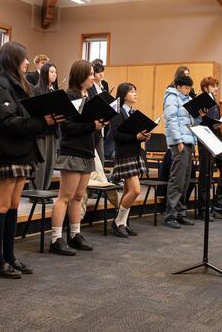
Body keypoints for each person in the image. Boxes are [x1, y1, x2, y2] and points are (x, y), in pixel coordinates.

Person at [0, 41, 60, 278]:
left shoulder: (17, 86)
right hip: (6, 153)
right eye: (24, 58)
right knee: (2, 206)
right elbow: (8, 123)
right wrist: (41, 122)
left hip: (20, 151)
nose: (28, 62)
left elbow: (22, 117)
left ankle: (10, 256)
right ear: (12, 61)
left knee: (14, 206)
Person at [50, 60, 105, 255]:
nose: (93, 77)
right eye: (90, 73)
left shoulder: (89, 96)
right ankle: (56, 238)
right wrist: (92, 126)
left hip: (87, 151)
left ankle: (74, 234)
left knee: (78, 197)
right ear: (80, 75)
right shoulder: (68, 96)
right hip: (72, 150)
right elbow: (66, 127)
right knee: (65, 197)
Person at [108, 83, 149, 238]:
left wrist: (143, 136)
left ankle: (124, 223)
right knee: (135, 190)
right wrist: (135, 137)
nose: (135, 94)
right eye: (132, 91)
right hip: (124, 154)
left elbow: (135, 134)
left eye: (135, 91)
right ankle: (118, 221)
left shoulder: (133, 112)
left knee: (127, 190)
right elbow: (117, 136)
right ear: (123, 94)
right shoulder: (117, 112)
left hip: (135, 152)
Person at [163, 74, 203, 229]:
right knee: (177, 180)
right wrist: (178, 141)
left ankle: (181, 213)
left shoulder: (188, 99)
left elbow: (192, 121)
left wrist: (200, 116)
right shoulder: (172, 97)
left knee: (185, 180)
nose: (188, 90)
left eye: (190, 88)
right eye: (186, 88)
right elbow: (171, 120)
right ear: (178, 86)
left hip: (189, 141)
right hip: (179, 143)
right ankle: (170, 215)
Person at [200, 77, 222, 220]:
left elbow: (216, 127)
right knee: (206, 176)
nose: (216, 88)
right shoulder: (201, 101)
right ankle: (203, 209)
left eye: (216, 86)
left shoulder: (215, 103)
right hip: (205, 141)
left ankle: (219, 207)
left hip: (216, 140)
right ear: (205, 87)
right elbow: (199, 123)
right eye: (213, 86)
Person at [32, 62, 60, 192]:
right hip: (41, 131)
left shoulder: (56, 91)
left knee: (50, 162)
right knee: (41, 163)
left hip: (53, 131)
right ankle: (36, 191)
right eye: (51, 72)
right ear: (44, 73)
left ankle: (45, 190)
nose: (54, 74)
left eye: (55, 72)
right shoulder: (36, 90)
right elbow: (32, 111)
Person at [87, 60, 109, 161]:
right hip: (92, 125)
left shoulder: (103, 87)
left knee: (101, 158)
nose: (101, 74)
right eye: (98, 72)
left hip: (101, 126)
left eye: (102, 71)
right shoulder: (89, 88)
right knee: (94, 159)